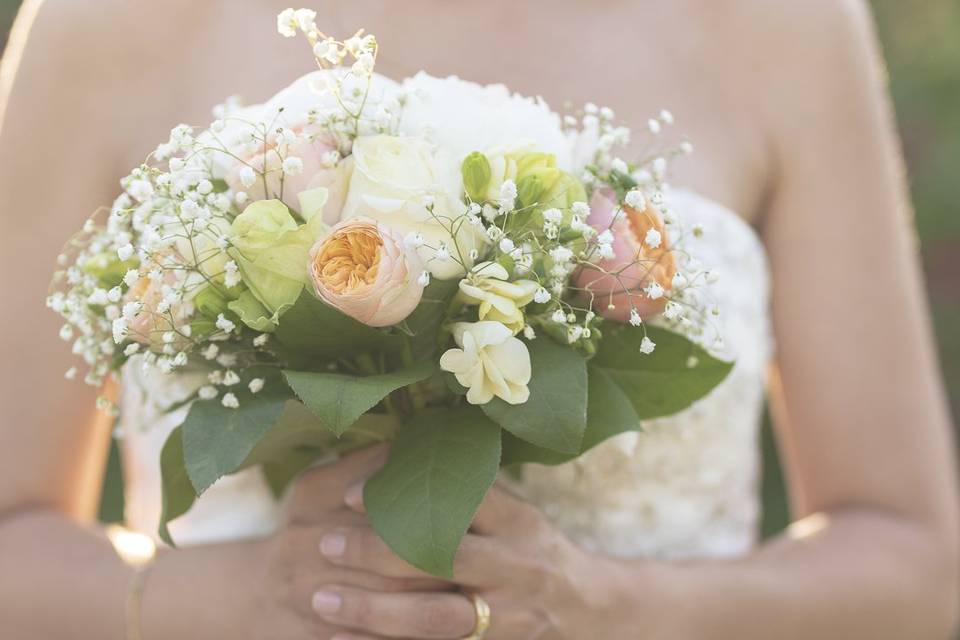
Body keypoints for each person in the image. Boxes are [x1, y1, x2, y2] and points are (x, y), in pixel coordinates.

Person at [0, 1, 957, 638]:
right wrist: (243, 599)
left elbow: (918, 570)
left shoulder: (779, 25)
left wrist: (619, 609)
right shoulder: (109, 23)